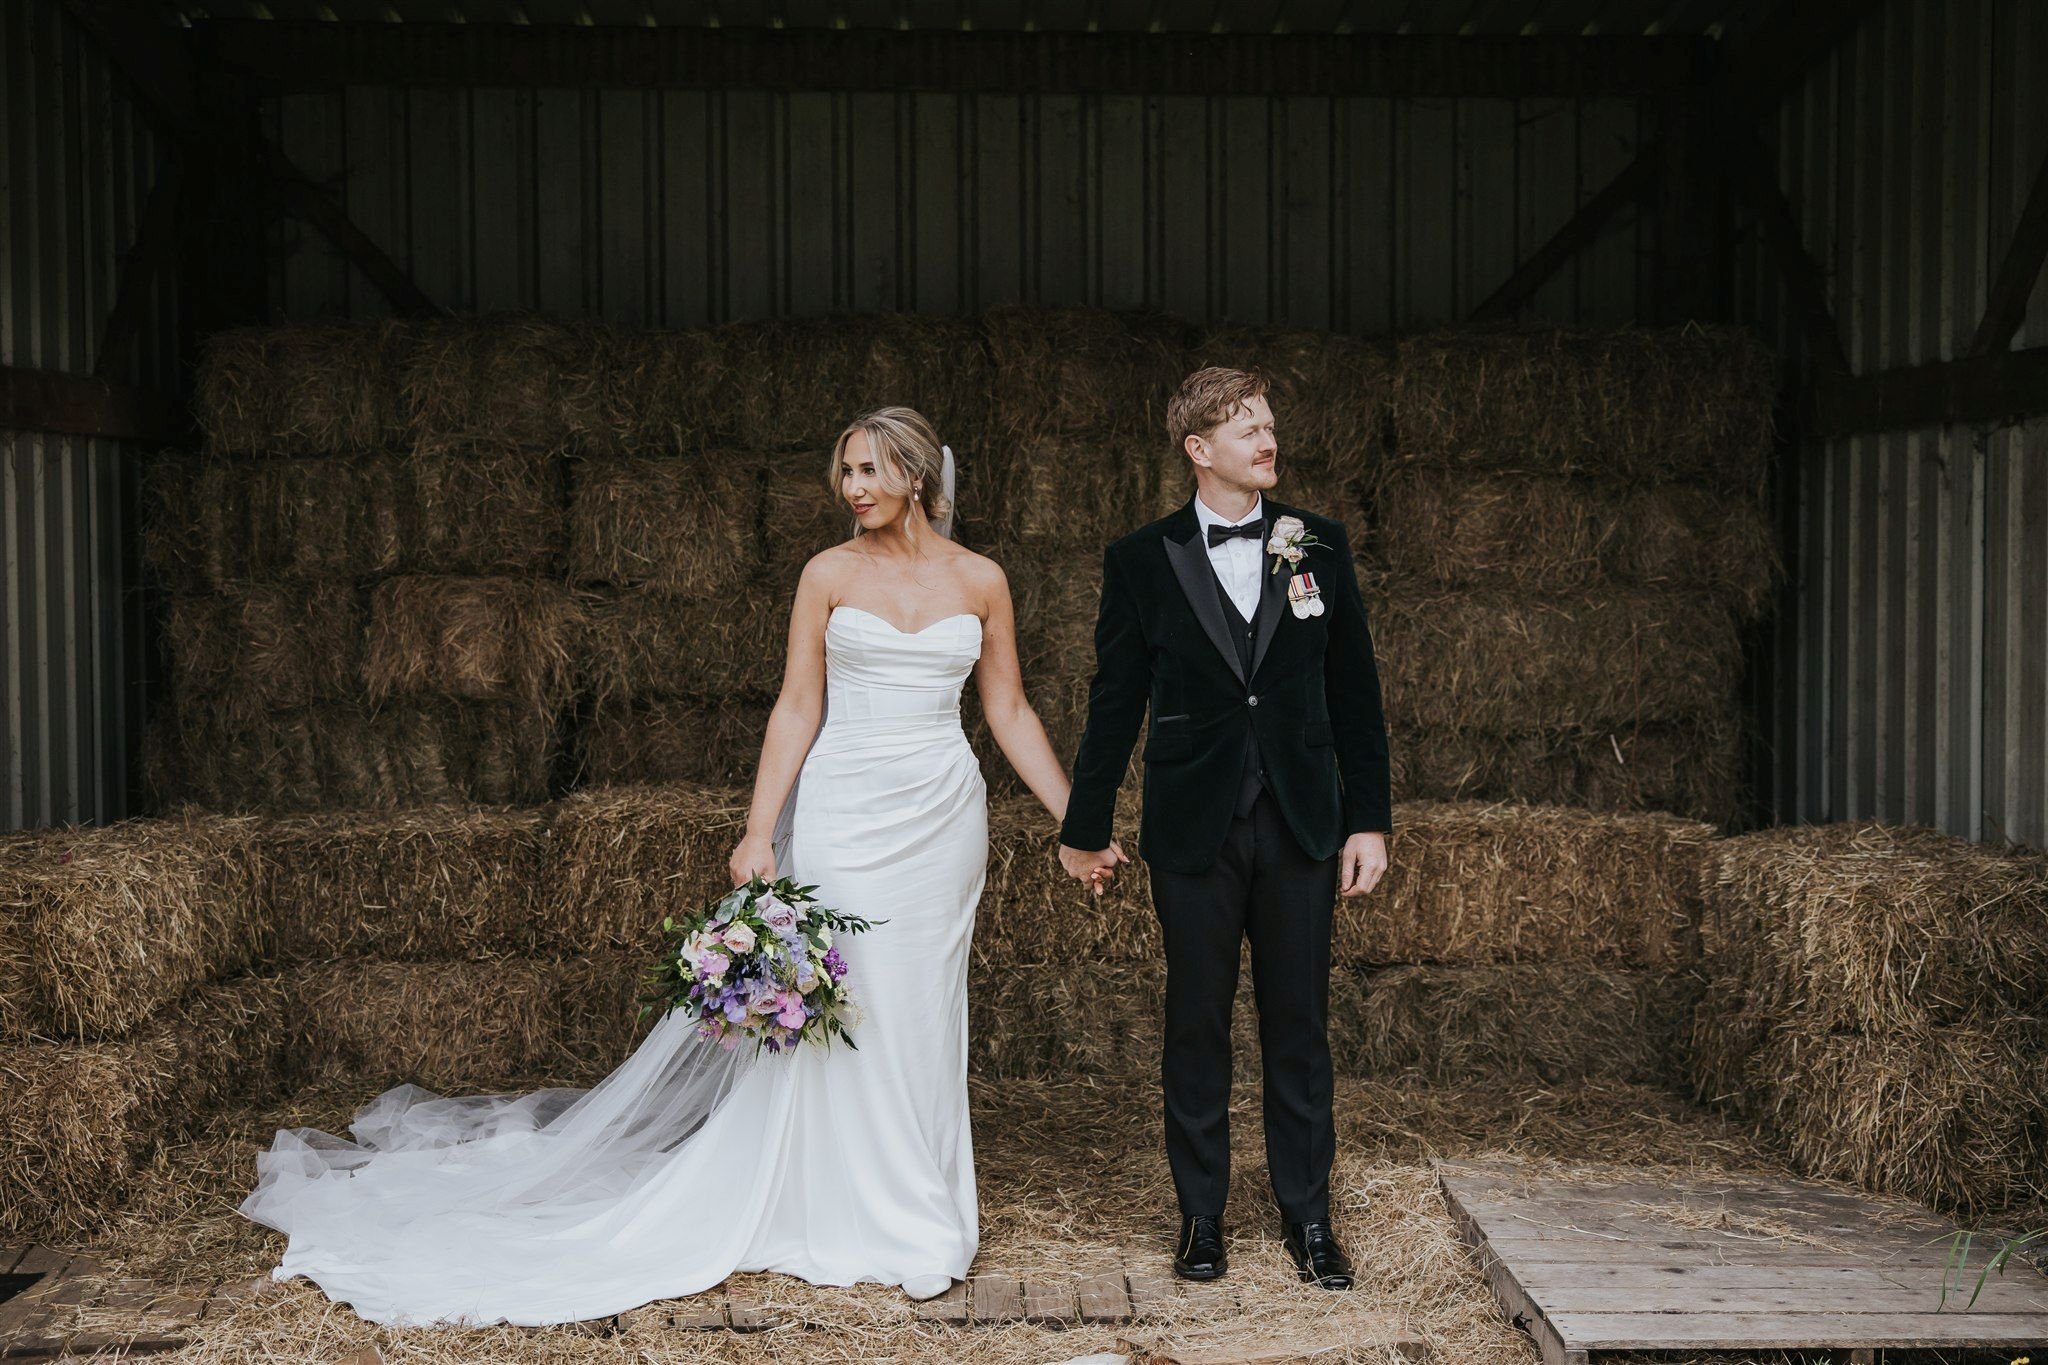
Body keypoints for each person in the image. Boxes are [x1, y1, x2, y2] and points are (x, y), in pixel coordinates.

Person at [239, 406, 1114, 1326]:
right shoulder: (827, 573)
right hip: (846, 812)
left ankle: (919, 1205)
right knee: (852, 1000)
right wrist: (758, 829)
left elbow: (1009, 710)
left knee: (922, 1007)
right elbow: (795, 707)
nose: (851, 486)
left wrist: (1075, 824)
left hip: (940, 815)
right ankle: (846, 1207)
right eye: (845, 471)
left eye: (867, 469)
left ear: (915, 473)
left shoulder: (982, 579)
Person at [1055, 366, 1392, 1291]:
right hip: (1193, 829)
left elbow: (1355, 693)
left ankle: (1309, 1218)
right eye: (1247, 430)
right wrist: (1084, 825)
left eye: (1270, 425)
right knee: (1195, 1023)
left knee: (1299, 1024)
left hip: (1301, 825)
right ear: (1198, 450)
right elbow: (1114, 700)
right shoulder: (1140, 558)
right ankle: (1201, 1218)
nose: (1267, 441)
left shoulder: (1316, 543)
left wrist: (1370, 818)